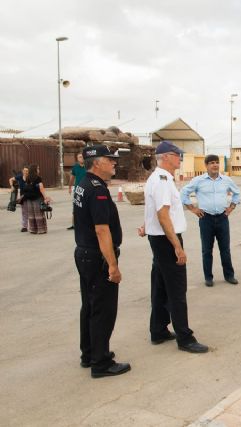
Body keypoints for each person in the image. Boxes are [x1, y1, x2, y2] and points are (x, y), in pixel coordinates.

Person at [141, 140, 208, 353]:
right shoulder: (161, 180)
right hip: (166, 239)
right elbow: (163, 215)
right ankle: (185, 338)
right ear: (167, 156)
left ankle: (158, 329)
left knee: (160, 286)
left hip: (159, 238)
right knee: (177, 289)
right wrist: (177, 246)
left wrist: (146, 225)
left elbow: (157, 211)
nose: (180, 158)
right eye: (178, 154)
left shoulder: (160, 178)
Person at [73, 145, 130, 378]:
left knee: (89, 306)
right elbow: (101, 230)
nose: (114, 163)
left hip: (84, 254)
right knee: (103, 310)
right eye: (110, 160)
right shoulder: (96, 189)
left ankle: (89, 353)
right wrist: (113, 265)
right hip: (97, 258)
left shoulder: (83, 183)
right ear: (96, 163)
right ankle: (101, 362)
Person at [180, 154, 240, 287]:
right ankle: (208, 277)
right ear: (206, 165)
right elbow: (183, 193)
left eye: (217, 162)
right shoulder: (198, 181)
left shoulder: (226, 180)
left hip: (222, 218)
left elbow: (237, 193)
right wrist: (193, 209)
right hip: (206, 218)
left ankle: (229, 275)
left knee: (225, 249)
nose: (215, 165)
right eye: (212, 162)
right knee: (207, 250)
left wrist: (231, 208)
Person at [21, 164, 51, 234]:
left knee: (32, 214)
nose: (38, 170)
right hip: (37, 198)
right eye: (38, 169)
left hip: (28, 198)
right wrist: (46, 197)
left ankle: (33, 230)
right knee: (39, 214)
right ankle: (41, 230)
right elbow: (41, 188)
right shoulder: (38, 178)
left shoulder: (27, 178)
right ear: (35, 170)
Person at [67, 152, 86, 230]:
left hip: (87, 189)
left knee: (86, 206)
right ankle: (74, 224)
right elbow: (72, 178)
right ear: (77, 159)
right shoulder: (75, 167)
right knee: (76, 206)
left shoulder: (88, 166)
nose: (81, 158)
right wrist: (69, 187)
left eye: (82, 157)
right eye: (79, 157)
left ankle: (85, 223)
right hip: (78, 189)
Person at [9, 165, 29, 232]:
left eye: (27, 171)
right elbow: (11, 179)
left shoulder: (30, 177)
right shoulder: (19, 177)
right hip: (22, 197)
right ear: (22, 171)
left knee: (31, 212)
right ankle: (24, 227)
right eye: (24, 171)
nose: (26, 172)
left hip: (30, 196)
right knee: (24, 212)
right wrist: (12, 186)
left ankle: (32, 225)